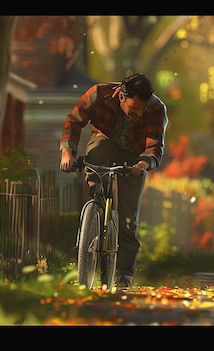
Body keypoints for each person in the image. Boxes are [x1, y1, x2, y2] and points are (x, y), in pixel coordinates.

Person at [59, 73, 168, 290]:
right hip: (105, 141)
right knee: (96, 154)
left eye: (142, 110)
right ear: (121, 98)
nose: (138, 114)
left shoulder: (157, 109)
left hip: (135, 158)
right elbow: (73, 121)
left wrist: (143, 165)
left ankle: (124, 275)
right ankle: (96, 206)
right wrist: (66, 153)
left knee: (129, 221)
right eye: (134, 109)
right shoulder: (99, 94)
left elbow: (154, 147)